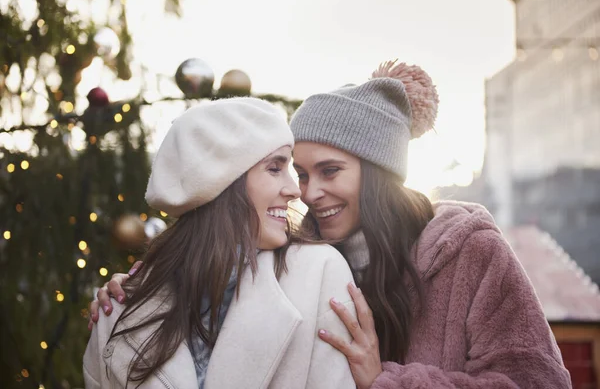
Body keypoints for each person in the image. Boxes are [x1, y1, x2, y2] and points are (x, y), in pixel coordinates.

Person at [91, 61, 572, 389]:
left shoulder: (468, 252)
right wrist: (139, 289)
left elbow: (540, 381)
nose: (307, 191)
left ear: (378, 171)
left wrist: (386, 380)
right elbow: (211, 266)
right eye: (298, 173)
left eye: (330, 171)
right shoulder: (296, 259)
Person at [83, 97, 357, 388]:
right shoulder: (118, 310)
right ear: (222, 182)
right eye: (275, 168)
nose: (294, 190)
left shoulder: (318, 273)